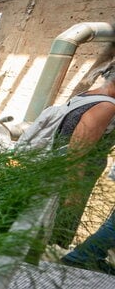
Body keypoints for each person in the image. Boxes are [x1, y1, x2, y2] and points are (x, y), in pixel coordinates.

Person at [48, 65, 115, 248]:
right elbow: (78, 151)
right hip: (71, 178)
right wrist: (73, 192)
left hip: (56, 170)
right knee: (55, 234)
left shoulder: (87, 95)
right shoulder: (106, 106)